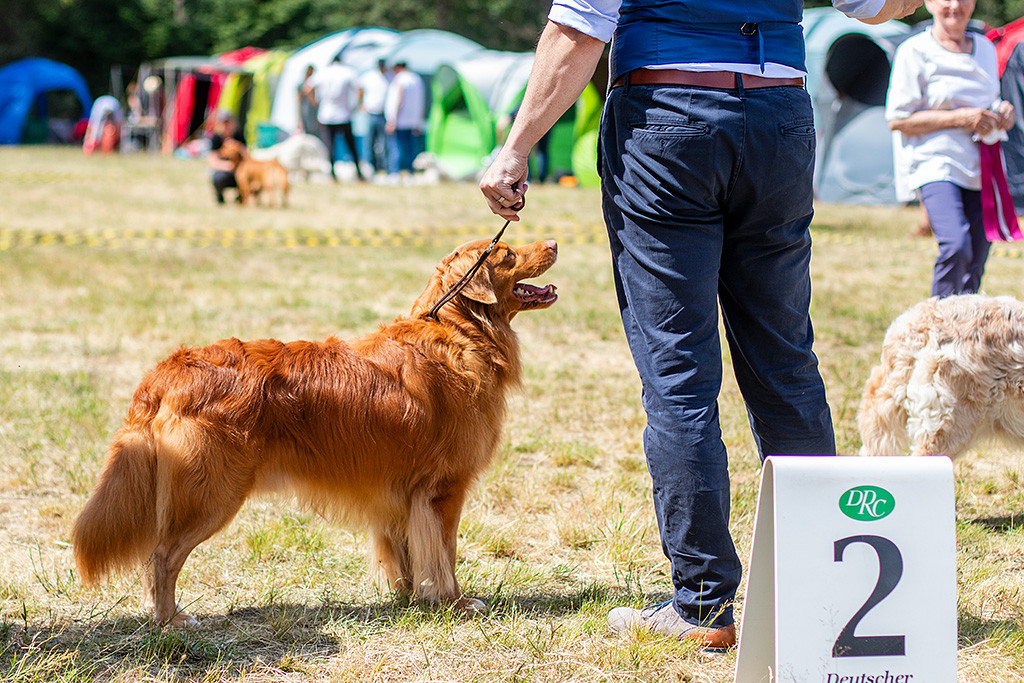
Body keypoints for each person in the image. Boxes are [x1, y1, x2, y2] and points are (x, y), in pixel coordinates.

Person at [480, 0, 923, 650]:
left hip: (669, 119)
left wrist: (514, 148)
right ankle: (824, 589)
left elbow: (577, 29)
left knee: (680, 376)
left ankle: (704, 603)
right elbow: (882, 5)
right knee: (786, 365)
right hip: (778, 116)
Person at [886, 0, 1016, 297]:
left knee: (980, 251)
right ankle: (939, 324)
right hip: (935, 162)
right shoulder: (914, 51)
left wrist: (1002, 111)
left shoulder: (984, 47)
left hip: (982, 161)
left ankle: (966, 328)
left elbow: (989, 99)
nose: (955, 5)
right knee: (956, 244)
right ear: (929, 3)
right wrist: (959, 118)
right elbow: (897, 119)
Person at [310, 55, 366, 182]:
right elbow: (360, 88)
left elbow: (307, 88)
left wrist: (316, 103)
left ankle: (332, 174)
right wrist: (356, 105)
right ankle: (358, 172)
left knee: (330, 146)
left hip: (326, 115)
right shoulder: (347, 72)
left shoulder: (323, 72)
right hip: (344, 114)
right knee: (351, 146)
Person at [385, 61, 426, 181]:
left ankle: (395, 173)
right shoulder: (416, 79)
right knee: (410, 148)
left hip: (399, 121)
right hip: (412, 121)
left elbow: (398, 100)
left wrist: (392, 119)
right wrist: (418, 120)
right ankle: (410, 173)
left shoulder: (400, 79)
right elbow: (421, 101)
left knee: (396, 148)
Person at [359, 59, 392, 175]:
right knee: (369, 142)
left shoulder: (389, 77)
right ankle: (369, 167)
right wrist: (361, 104)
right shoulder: (369, 77)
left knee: (385, 143)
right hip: (371, 113)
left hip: (384, 114)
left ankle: (386, 167)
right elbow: (360, 88)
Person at [207, 111, 245, 204]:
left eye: (229, 122)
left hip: (238, 171)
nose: (227, 126)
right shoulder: (216, 138)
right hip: (224, 171)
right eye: (224, 123)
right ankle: (220, 196)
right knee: (218, 177)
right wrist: (227, 165)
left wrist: (238, 146)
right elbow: (212, 161)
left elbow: (246, 155)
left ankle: (241, 197)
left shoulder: (239, 136)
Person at [297, 65, 320, 137]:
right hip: (307, 110)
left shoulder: (315, 84)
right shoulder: (303, 85)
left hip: (312, 111)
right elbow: (299, 100)